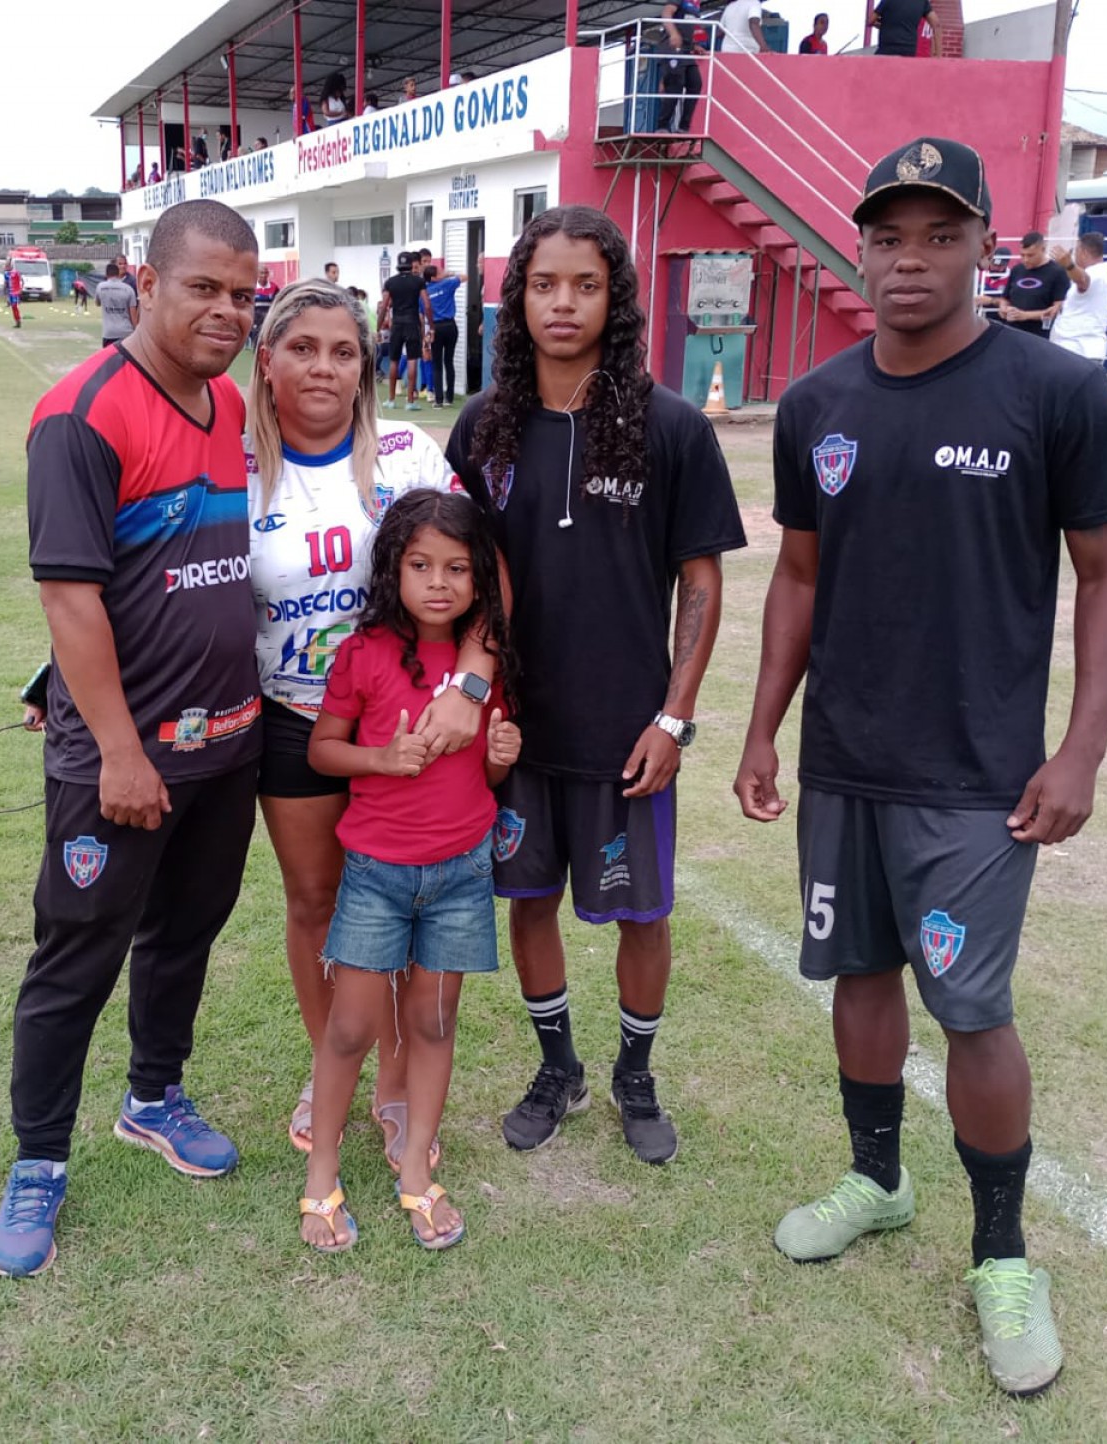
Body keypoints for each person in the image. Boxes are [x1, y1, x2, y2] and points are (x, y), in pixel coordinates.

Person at [734, 136, 1107, 1399]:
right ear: (859, 246)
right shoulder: (817, 406)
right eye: (888, 236)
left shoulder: (1052, 392)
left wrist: (1080, 750)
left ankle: (1004, 1253)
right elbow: (799, 576)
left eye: (940, 235)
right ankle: (878, 1175)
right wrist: (760, 727)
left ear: (983, 246)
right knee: (858, 976)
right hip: (846, 761)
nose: (910, 260)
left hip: (977, 778)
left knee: (971, 1011)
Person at [0, 199, 262, 1280]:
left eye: (244, 294)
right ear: (144, 285)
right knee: (76, 957)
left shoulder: (231, 403)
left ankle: (153, 1095)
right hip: (122, 758)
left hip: (226, 746)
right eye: (204, 288)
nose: (227, 311)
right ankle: (40, 1159)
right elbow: (70, 599)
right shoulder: (81, 415)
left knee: (184, 936)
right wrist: (118, 748)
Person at [445, 205, 746, 1166]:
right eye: (543, 284)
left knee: (642, 916)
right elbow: (456, 571)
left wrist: (676, 717)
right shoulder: (483, 428)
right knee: (528, 902)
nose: (562, 303)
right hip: (519, 732)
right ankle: (558, 1065)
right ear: (518, 298)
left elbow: (701, 579)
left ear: (614, 297)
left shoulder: (670, 427)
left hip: (629, 735)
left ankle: (636, 1075)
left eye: (584, 284)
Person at [243, 279, 488, 1165]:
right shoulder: (231, 468)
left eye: (343, 351)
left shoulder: (406, 454)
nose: (323, 366)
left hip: (419, 728)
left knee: (403, 904)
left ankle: (393, 1073)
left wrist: (470, 684)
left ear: (366, 365)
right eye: (302, 347)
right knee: (317, 902)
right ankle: (329, 1058)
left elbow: (485, 582)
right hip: (295, 719)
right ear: (266, 359)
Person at [298, 490, 523, 1253]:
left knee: (432, 1021)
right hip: (376, 875)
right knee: (351, 1028)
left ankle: (417, 1171)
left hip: (462, 874)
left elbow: (483, 784)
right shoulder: (361, 654)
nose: (438, 583)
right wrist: (382, 758)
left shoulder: (485, 672)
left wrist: (496, 761)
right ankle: (320, 1170)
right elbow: (321, 749)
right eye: (420, 565)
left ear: (479, 583)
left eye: (458, 568)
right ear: (391, 568)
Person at [1048, 233, 1107, 365]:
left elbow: (1083, 280)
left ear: (1083, 252)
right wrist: (1061, 307)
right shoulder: (1099, 273)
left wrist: (1069, 265)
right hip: (1075, 350)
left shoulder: (1097, 274)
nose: (1074, 255)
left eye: (1076, 250)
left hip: (1079, 350)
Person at [992, 231, 1069, 336]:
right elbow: (1005, 298)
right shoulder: (1017, 270)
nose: (1025, 259)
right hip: (1012, 330)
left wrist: (1026, 315)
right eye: (1022, 255)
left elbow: (1058, 309)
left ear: (1043, 250)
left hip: (1039, 334)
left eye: (1030, 255)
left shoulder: (1057, 272)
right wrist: (1003, 308)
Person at [379, 252, 428, 411]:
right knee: (412, 360)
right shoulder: (418, 282)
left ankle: (391, 400)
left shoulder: (391, 282)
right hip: (412, 322)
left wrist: (378, 328)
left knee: (394, 360)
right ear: (411, 264)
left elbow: (384, 306)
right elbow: (427, 305)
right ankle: (410, 401)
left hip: (397, 324)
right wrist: (431, 326)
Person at [657, 1, 707, 134]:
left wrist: (695, 44)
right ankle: (662, 126)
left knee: (695, 84)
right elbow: (666, 12)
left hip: (686, 50)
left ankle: (684, 127)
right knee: (675, 86)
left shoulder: (696, 5)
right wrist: (673, 34)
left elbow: (690, 28)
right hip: (672, 48)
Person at [425, 261, 462, 406]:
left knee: (437, 364)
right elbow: (465, 277)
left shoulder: (425, 292)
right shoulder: (447, 284)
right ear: (434, 277)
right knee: (449, 361)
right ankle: (450, 398)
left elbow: (423, 314)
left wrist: (426, 334)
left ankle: (438, 400)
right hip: (450, 326)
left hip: (435, 327)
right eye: (440, 272)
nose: (443, 273)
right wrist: (450, 274)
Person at [96, 261, 139, 346]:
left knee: (111, 358)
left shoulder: (100, 287)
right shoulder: (128, 289)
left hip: (109, 333)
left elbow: (98, 303)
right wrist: (137, 332)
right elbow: (133, 316)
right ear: (118, 273)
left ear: (106, 274)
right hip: (126, 332)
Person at [249, 265, 278, 350]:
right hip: (256, 321)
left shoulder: (274, 287)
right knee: (257, 346)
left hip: (269, 319)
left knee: (270, 345)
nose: (264, 275)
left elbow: (278, 302)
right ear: (257, 274)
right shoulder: (252, 287)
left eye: (266, 273)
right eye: (262, 273)